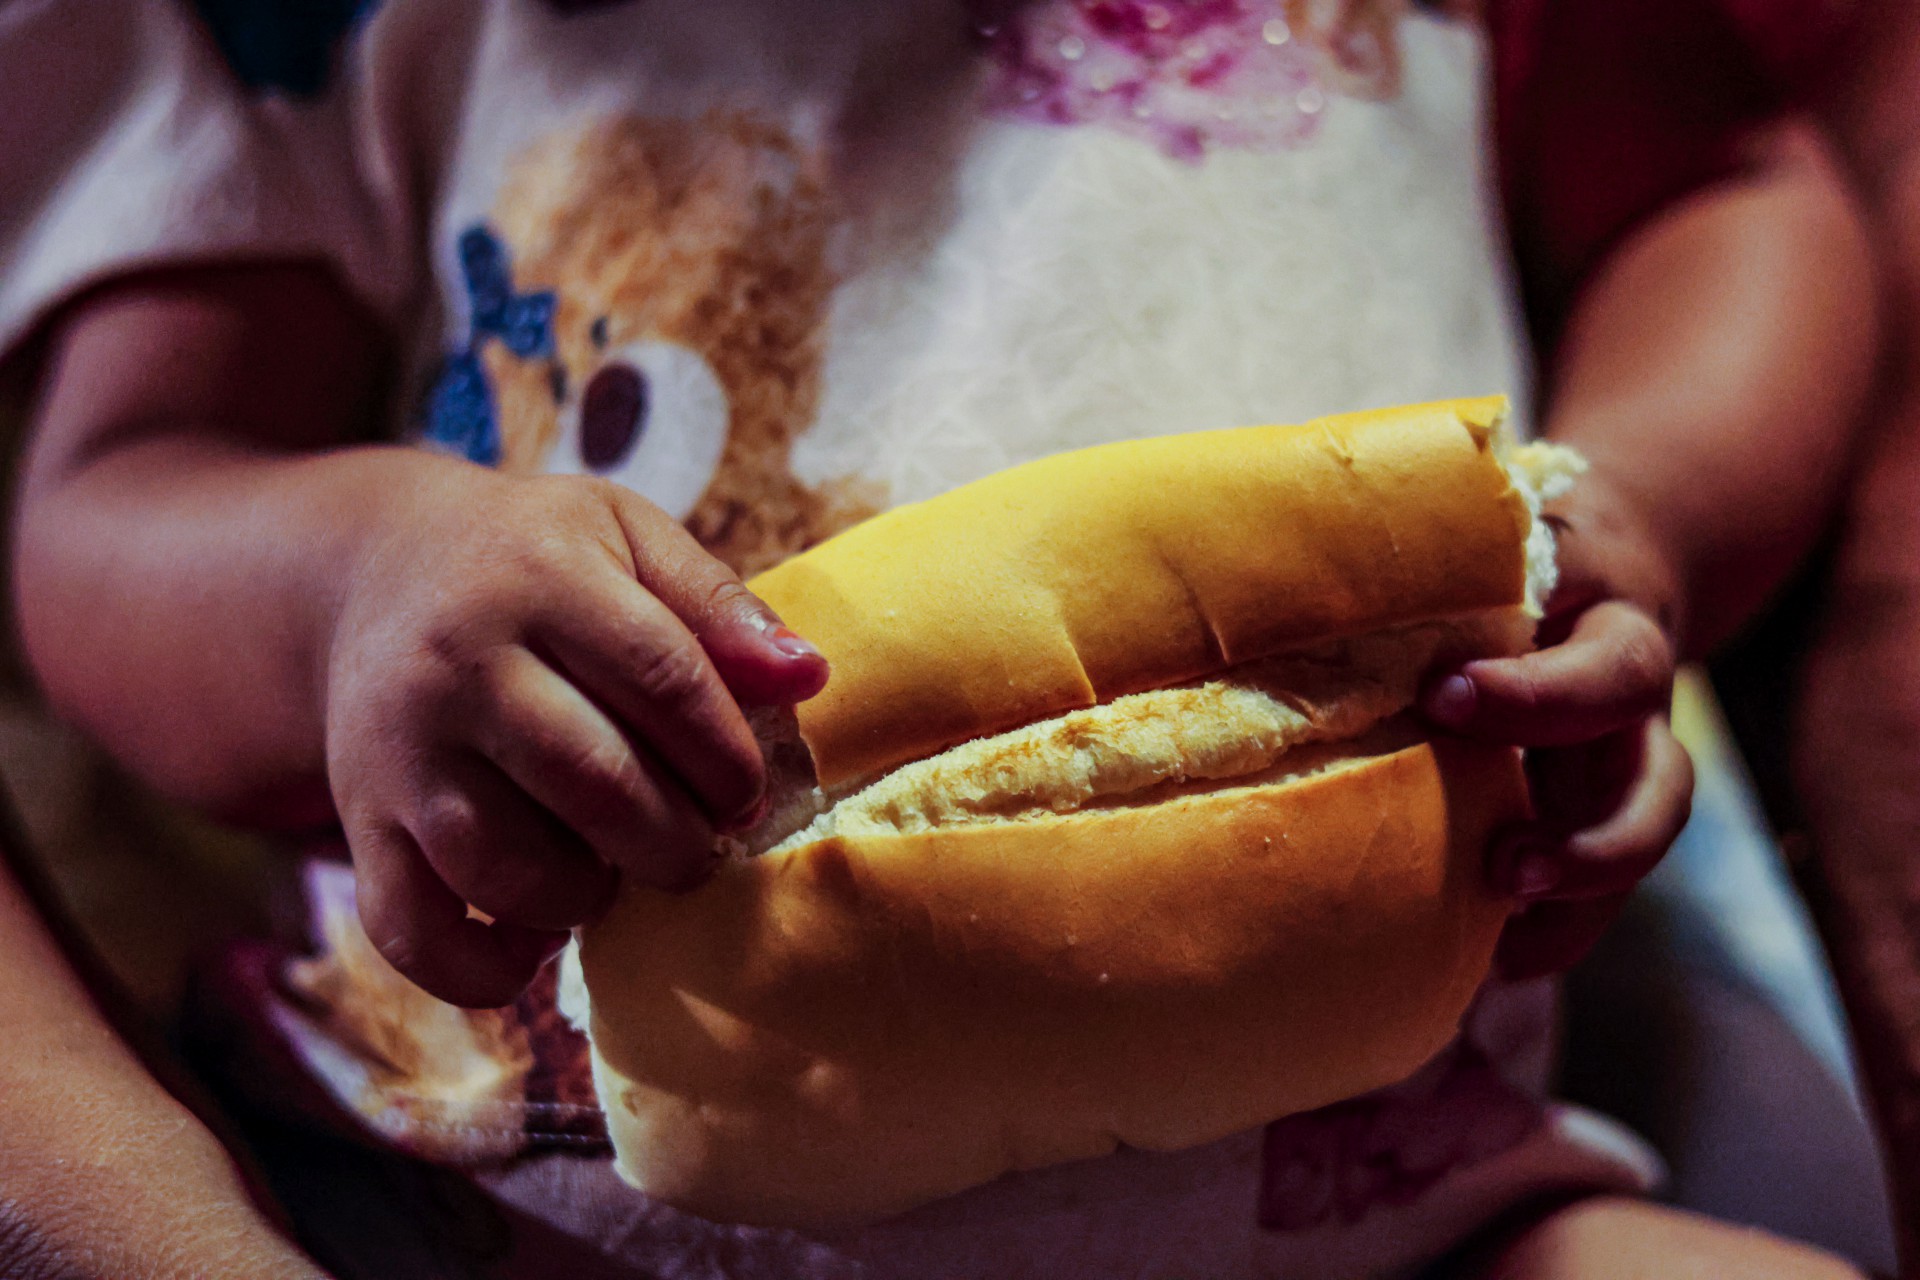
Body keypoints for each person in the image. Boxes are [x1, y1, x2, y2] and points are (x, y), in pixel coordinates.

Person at [0, 0, 1881, 1275]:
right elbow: (122, 497)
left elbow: (1732, 202)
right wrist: (352, 589)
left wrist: (1652, 505)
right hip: (485, 1208)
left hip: (1412, 1204)